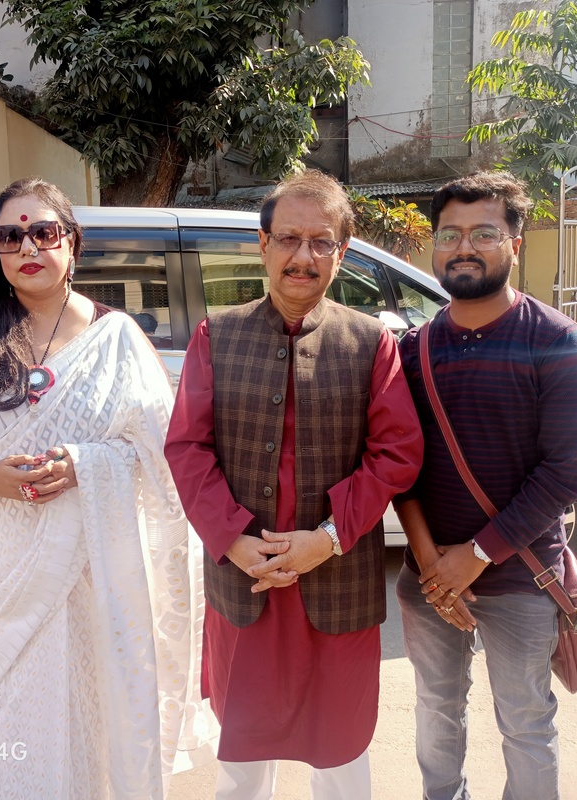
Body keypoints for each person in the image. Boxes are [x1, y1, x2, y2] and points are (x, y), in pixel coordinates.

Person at [0, 177, 194, 800]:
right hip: (3, 571)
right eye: (9, 237)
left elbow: (164, 452)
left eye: (43, 231)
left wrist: (87, 465)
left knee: (96, 713)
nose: (27, 247)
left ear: (72, 242)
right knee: (17, 717)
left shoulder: (118, 337)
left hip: (97, 574)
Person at [164, 170, 424, 800]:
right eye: (288, 238)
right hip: (246, 577)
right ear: (263, 244)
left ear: (342, 250)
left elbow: (396, 454)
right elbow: (187, 447)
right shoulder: (217, 335)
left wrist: (327, 538)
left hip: (337, 578)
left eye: (321, 241)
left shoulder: (371, 343)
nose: (302, 257)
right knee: (243, 759)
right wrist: (232, 538)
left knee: (340, 754)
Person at [394, 172, 577, 800]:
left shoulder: (555, 341)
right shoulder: (412, 350)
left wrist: (476, 556)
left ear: (515, 243)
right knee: (436, 710)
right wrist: (432, 565)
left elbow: (566, 474)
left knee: (526, 724)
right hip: (428, 578)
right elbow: (398, 466)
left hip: (521, 579)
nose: (463, 247)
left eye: (484, 233)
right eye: (449, 234)